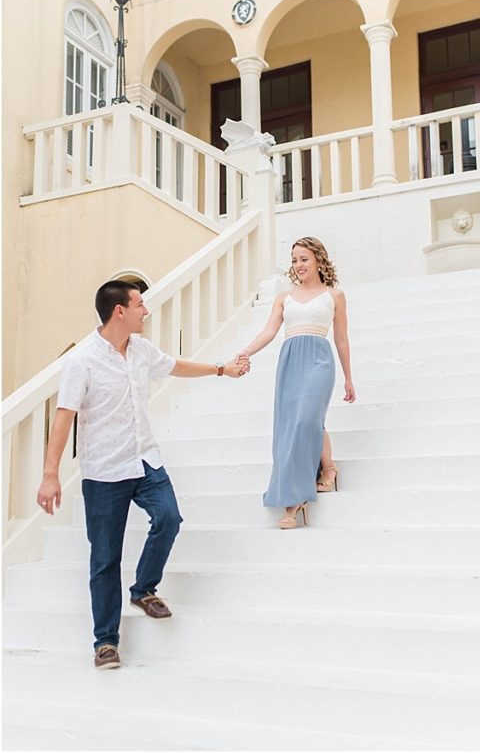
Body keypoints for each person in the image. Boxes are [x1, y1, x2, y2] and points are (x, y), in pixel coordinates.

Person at [36, 280, 249, 670]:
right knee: (104, 558)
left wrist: (222, 369)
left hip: (145, 460)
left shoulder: (140, 350)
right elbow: (64, 416)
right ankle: (105, 642)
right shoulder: (81, 361)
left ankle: (143, 589)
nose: (145, 310)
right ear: (120, 311)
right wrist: (50, 475)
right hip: (104, 472)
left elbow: (174, 366)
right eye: (139, 304)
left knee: (168, 518)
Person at [238, 236, 355, 529]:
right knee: (293, 426)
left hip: (319, 360)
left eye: (304, 259)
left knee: (306, 420)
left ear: (318, 259)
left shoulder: (335, 295)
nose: (298, 265)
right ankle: (322, 473)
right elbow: (268, 331)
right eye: (294, 260)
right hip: (290, 362)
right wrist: (246, 351)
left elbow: (341, 338)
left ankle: (302, 495)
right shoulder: (284, 298)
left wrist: (349, 378)